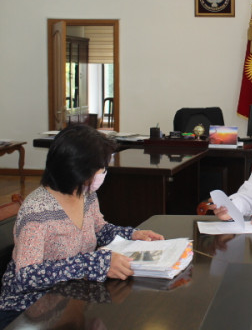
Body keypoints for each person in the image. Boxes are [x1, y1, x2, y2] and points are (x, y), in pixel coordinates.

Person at [0, 125, 164, 329]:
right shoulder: (37, 211)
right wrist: (91, 264)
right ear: (76, 169)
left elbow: (99, 229)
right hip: (30, 311)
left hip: (71, 297)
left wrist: (132, 234)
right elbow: (27, 276)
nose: (103, 172)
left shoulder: (86, 194)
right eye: (100, 167)